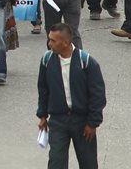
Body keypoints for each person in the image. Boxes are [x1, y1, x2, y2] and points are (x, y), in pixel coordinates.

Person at [36, 23, 106, 169]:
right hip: (58, 120)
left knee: (88, 163)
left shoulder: (86, 62)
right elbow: (43, 90)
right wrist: (42, 115)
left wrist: (92, 123)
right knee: (56, 162)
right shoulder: (47, 60)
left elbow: (97, 95)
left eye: (53, 40)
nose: (49, 44)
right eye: (49, 39)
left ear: (66, 42)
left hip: (82, 122)